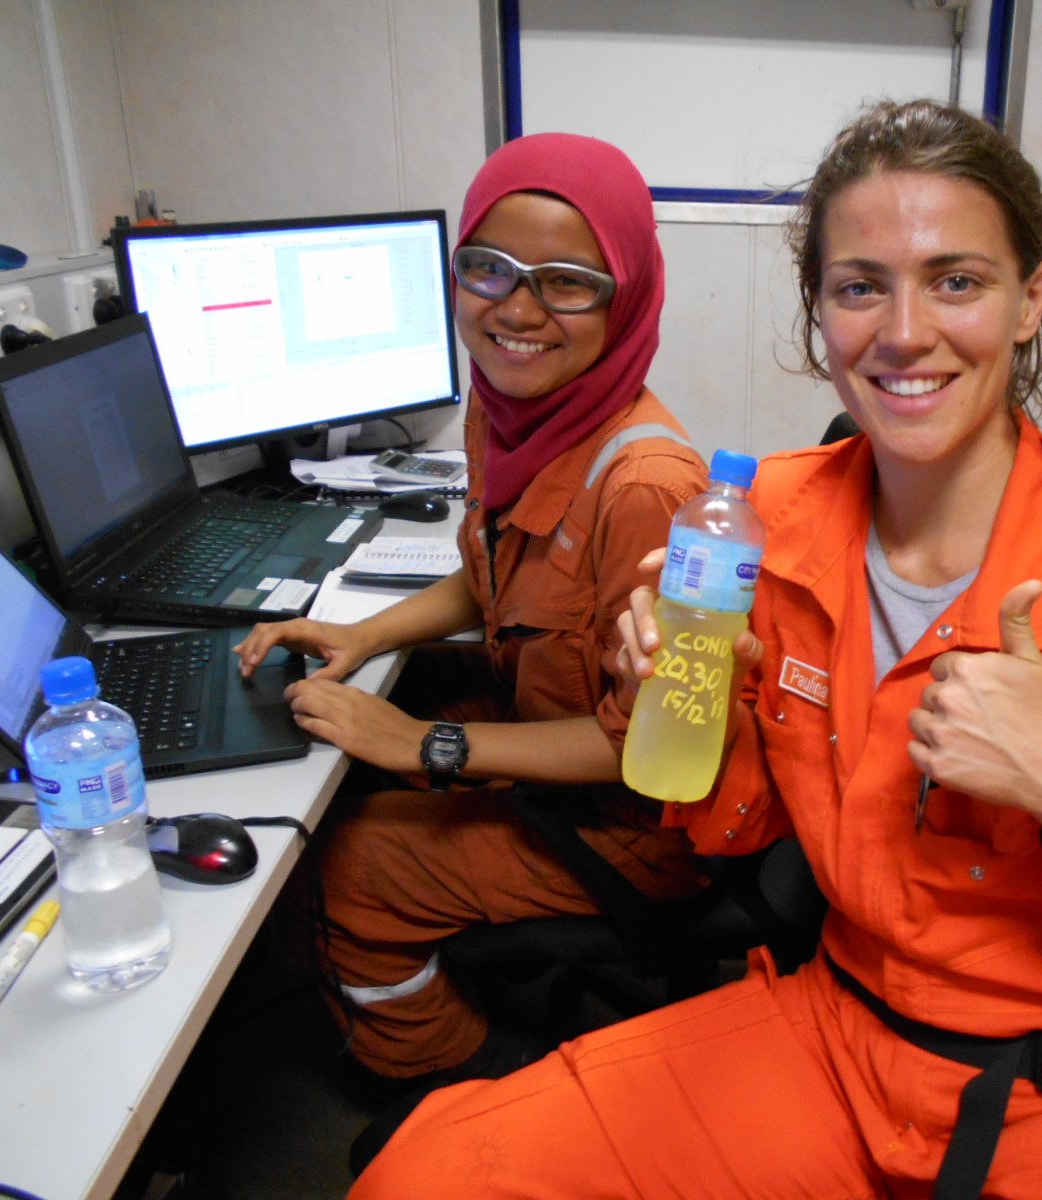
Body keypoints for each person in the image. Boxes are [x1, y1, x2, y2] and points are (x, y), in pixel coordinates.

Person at [348, 99, 1042, 1199]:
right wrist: (688, 708)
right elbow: (743, 826)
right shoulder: (762, 525)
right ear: (818, 312)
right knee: (422, 1174)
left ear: (1028, 302)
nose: (903, 331)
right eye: (860, 286)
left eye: (955, 280)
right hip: (835, 1029)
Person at [232, 133, 710, 1091]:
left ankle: (462, 1077)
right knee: (328, 770)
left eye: (569, 281)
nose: (519, 310)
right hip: (545, 734)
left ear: (627, 299)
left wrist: (427, 748)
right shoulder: (513, 407)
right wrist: (363, 635)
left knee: (338, 869)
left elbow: (654, 746)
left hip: (634, 823)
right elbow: (491, 581)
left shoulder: (648, 487)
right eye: (489, 270)